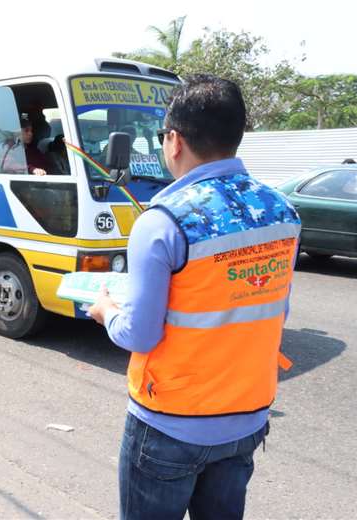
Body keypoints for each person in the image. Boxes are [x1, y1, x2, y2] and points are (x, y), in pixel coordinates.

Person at [87, 75, 301, 520]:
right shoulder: (282, 211)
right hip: (246, 418)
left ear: (174, 141)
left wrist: (107, 312)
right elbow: (272, 311)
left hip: (170, 425)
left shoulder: (162, 222)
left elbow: (140, 335)